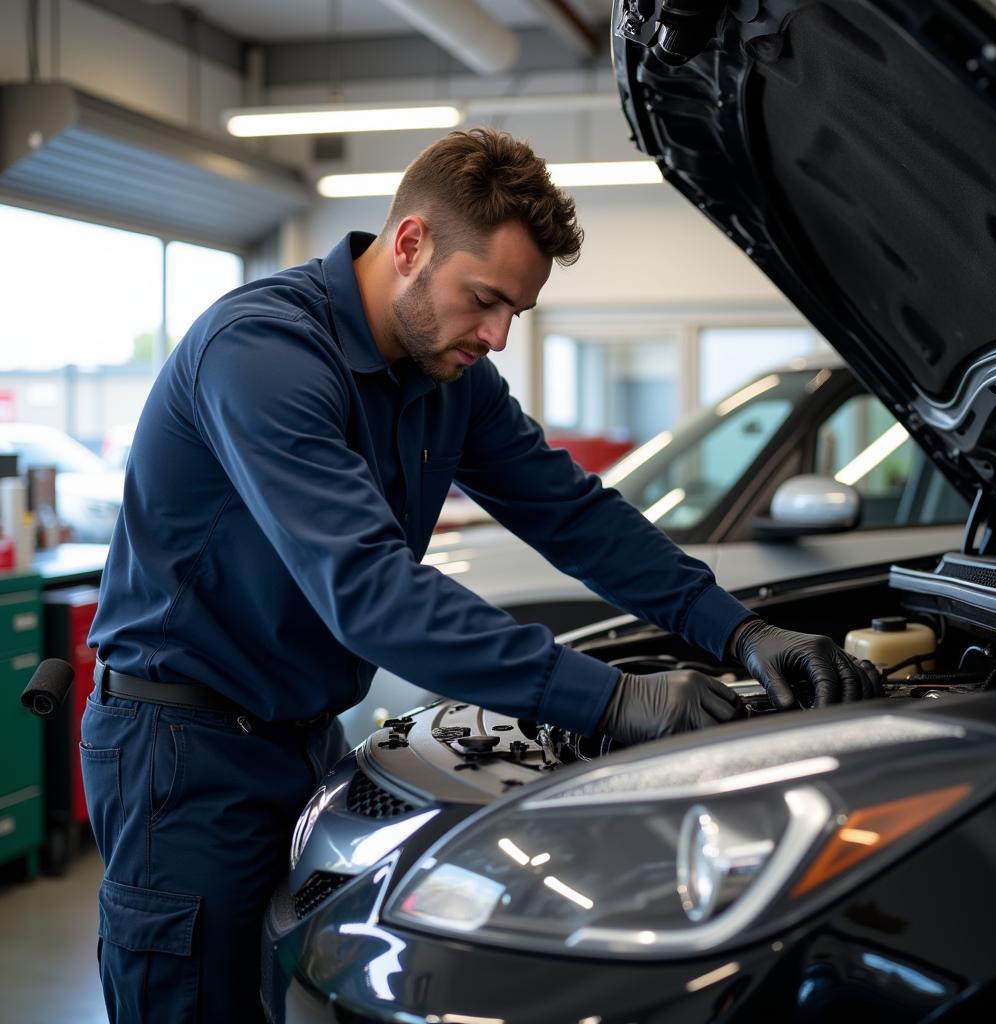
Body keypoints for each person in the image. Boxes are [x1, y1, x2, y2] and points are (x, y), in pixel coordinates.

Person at [84, 127, 878, 1022]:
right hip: (181, 753)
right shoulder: (262, 354)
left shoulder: (445, 373)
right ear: (412, 244)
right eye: (485, 300)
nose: (497, 335)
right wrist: (618, 702)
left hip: (300, 739)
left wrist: (740, 629)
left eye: (515, 313)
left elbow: (572, 514)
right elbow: (373, 597)